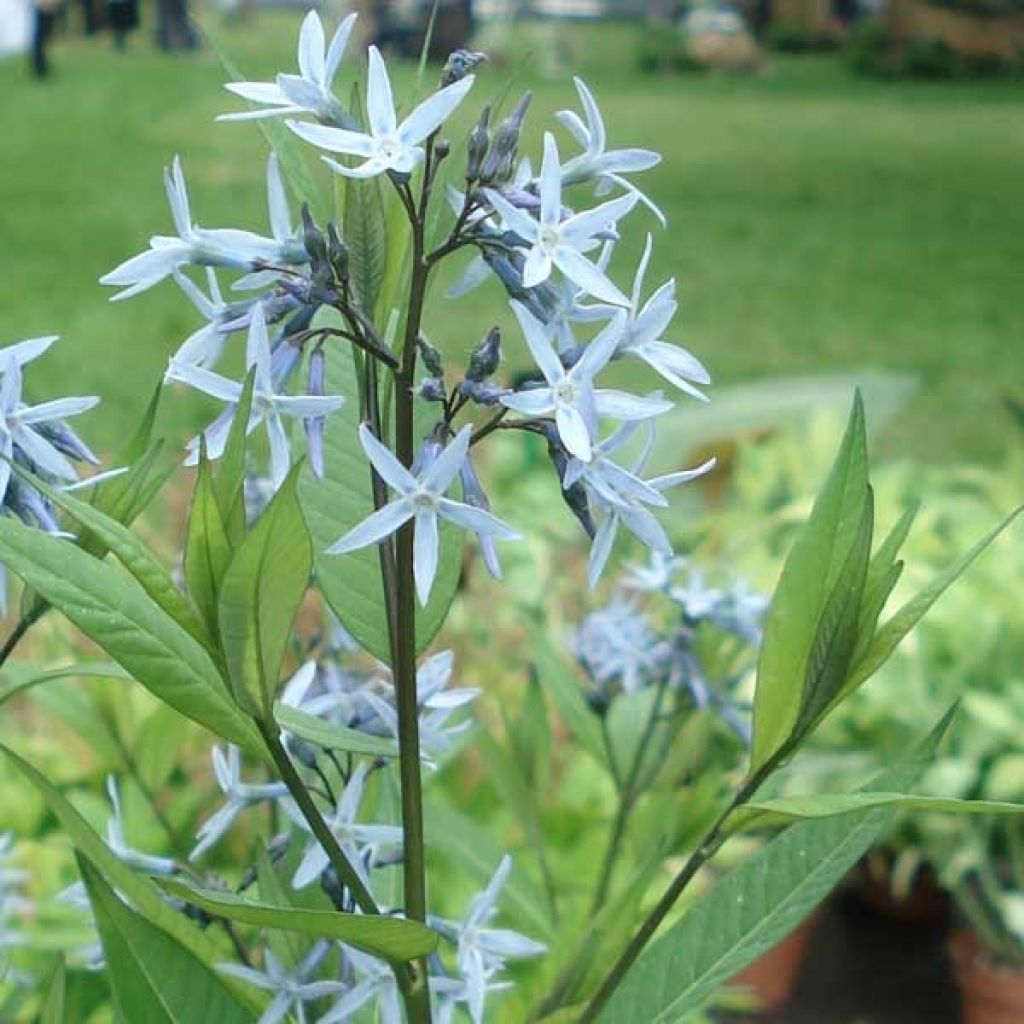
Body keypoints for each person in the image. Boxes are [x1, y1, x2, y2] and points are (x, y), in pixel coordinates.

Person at [30, 0, 62, 78]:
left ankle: (42, 64)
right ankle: (40, 66)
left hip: (47, 8)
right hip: (44, 7)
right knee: (41, 37)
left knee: (44, 37)